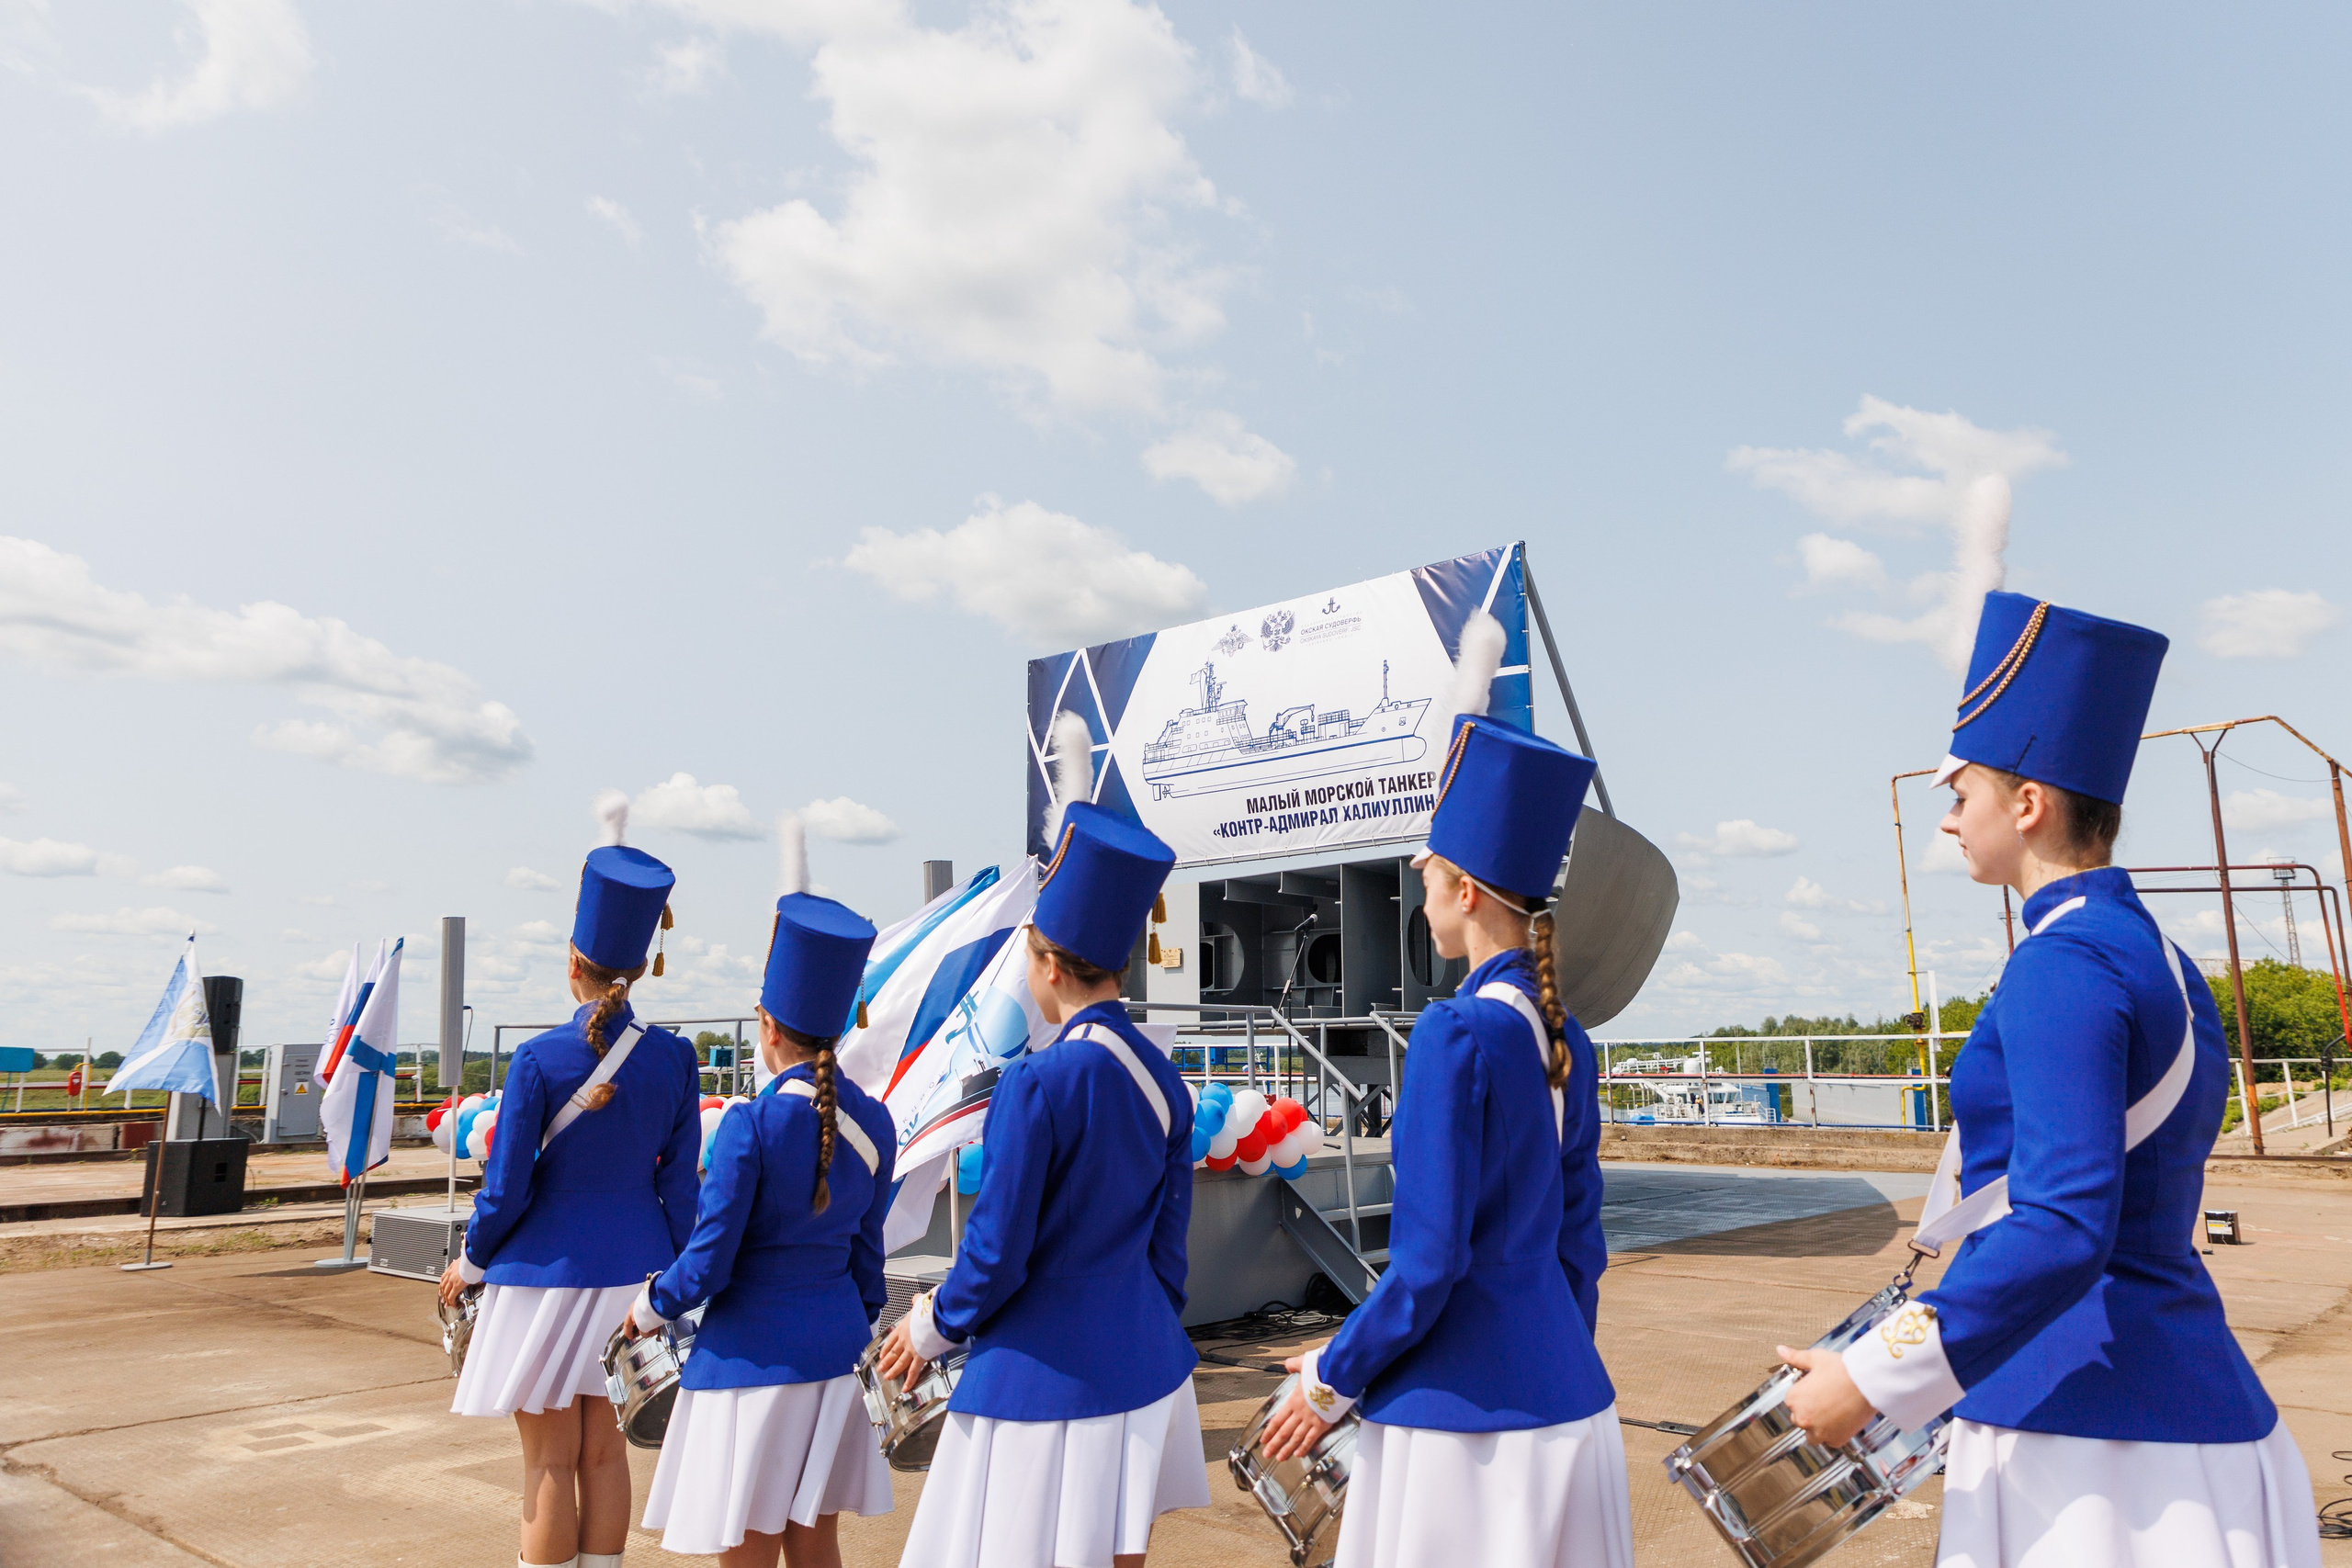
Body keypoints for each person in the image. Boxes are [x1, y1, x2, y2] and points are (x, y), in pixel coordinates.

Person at [1778, 591, 2321, 1568]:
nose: (1948, 822)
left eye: (1961, 796)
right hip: (2185, 1404)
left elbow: (2062, 1225)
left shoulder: (2060, 964)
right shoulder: (2152, 950)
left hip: (2087, 1443)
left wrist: (1871, 1375)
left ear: (2025, 805)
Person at [1257, 648, 1633, 1568]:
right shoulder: (1562, 1035)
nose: (1418, 890)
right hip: (1567, 1399)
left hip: (1459, 1425)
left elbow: (1426, 1266)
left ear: (1463, 891)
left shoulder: (1453, 1033)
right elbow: (1579, 1245)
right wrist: (1541, 1346)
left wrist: (1330, 1381)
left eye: (1425, 873)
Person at [876, 782, 1207, 1568]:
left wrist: (927, 1326)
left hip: (1040, 1383)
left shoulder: (1037, 1082)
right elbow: (1168, 1259)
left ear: (1045, 965)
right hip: (1147, 1367)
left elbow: (997, 1251)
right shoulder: (1165, 1083)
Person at [631, 816, 898, 1568]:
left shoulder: (749, 1125)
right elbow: (868, 1266)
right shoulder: (875, 1123)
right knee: (818, 1541)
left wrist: (651, 1302)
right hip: (836, 1347)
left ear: (767, 1025)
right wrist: (846, 1320)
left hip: (749, 1361)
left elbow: (709, 1263)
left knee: (746, 1546)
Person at [441, 802, 703, 1568]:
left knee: (548, 1460)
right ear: (640, 966)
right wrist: (676, 1279)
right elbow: (682, 1191)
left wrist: (473, 1261)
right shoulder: (677, 1060)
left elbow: (507, 1190)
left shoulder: (537, 1061)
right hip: (635, 1277)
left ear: (572, 961)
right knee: (604, 1454)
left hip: (545, 1280)